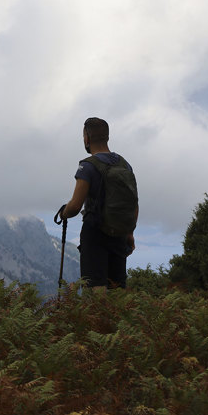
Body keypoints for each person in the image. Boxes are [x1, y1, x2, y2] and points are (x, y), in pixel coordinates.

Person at [58, 117, 138, 290]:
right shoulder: (125, 165)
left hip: (95, 234)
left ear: (87, 138)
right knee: (117, 292)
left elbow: (75, 206)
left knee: (95, 294)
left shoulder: (87, 166)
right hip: (120, 234)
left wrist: (63, 213)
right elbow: (133, 203)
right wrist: (129, 233)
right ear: (107, 137)